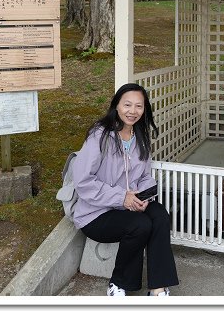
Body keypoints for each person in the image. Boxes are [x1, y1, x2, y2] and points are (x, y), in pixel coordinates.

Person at [70, 83, 179, 297]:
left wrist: (145, 196)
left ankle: (158, 288)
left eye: (139, 106)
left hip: (127, 206)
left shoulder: (140, 136)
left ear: (144, 109)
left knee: (159, 215)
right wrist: (122, 198)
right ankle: (119, 283)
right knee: (140, 225)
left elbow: (145, 176)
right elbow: (82, 181)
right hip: (95, 213)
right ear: (116, 106)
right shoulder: (100, 136)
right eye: (127, 104)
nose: (133, 111)